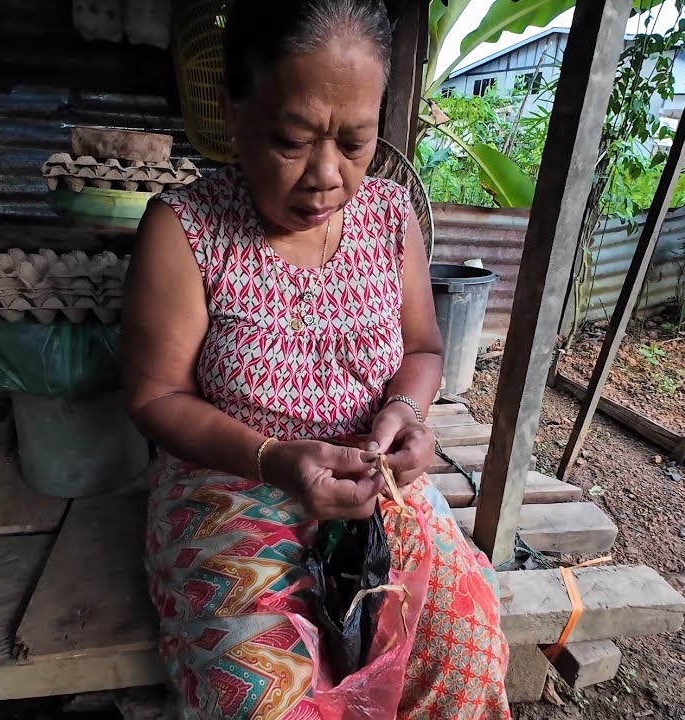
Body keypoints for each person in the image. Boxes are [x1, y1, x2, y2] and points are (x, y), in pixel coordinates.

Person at [123, 1, 510, 717]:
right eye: (291, 140)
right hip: (231, 482)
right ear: (234, 115)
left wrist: (402, 411)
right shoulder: (186, 229)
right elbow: (155, 396)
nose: (326, 175)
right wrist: (276, 460)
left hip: (375, 477)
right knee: (262, 695)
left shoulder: (393, 217)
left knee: (462, 653)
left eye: (355, 142)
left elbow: (423, 348)